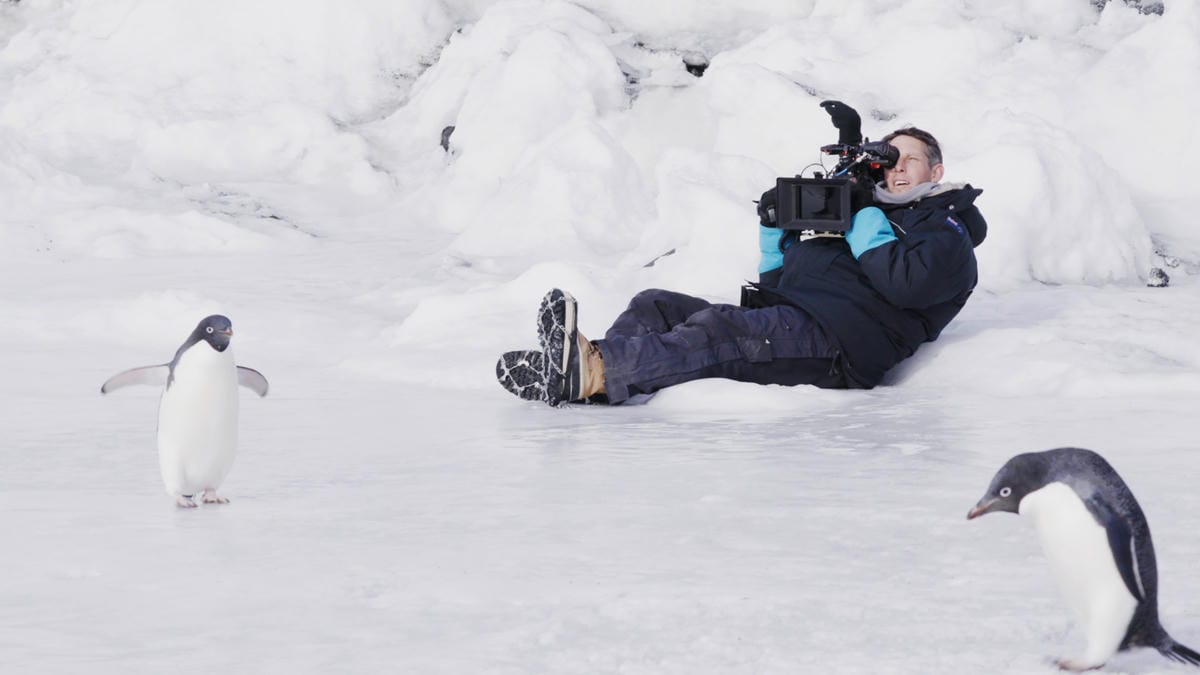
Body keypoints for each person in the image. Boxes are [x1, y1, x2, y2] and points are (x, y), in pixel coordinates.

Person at [496, 125, 987, 406]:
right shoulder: (864, 212)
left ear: (936, 170)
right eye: (890, 159)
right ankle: (594, 377)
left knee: (720, 330)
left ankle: (596, 368)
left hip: (839, 345)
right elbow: (781, 282)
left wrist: (862, 215)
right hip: (796, 318)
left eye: (910, 160)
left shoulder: (947, 230)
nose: (896, 168)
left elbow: (905, 286)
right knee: (656, 304)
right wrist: (774, 231)